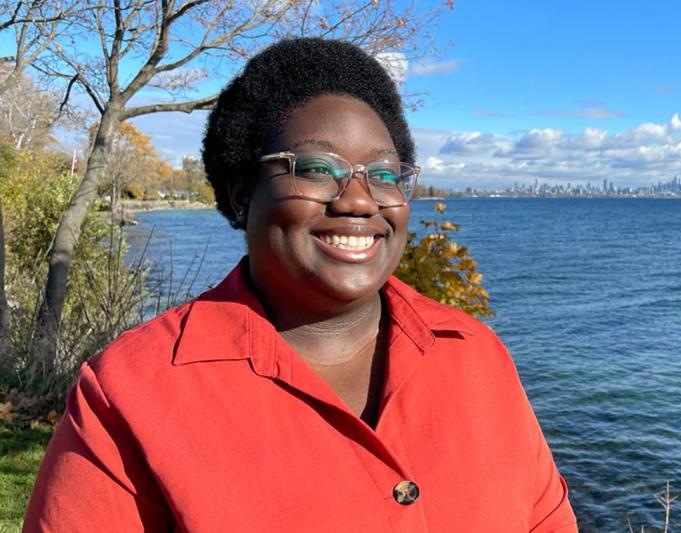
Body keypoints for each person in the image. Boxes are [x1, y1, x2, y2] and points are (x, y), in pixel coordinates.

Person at [24, 38, 577, 532]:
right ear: (243, 193)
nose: (359, 200)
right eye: (315, 168)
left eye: (384, 174)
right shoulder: (131, 392)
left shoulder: (476, 357)